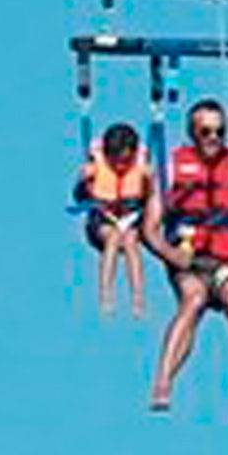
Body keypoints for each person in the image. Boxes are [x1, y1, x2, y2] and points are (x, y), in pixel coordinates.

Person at [141, 99, 228, 411]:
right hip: (189, 258)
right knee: (193, 300)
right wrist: (169, 254)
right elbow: (149, 229)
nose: (214, 138)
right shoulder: (171, 167)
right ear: (192, 133)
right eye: (206, 132)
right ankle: (163, 381)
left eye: (220, 131)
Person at [75, 122, 152, 317]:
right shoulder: (94, 167)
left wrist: (150, 182)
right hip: (102, 219)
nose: (120, 166)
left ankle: (138, 298)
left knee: (131, 243)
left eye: (126, 162)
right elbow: (79, 196)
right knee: (113, 239)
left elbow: (151, 200)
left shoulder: (142, 169)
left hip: (131, 218)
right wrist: (82, 180)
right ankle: (106, 295)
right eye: (115, 161)